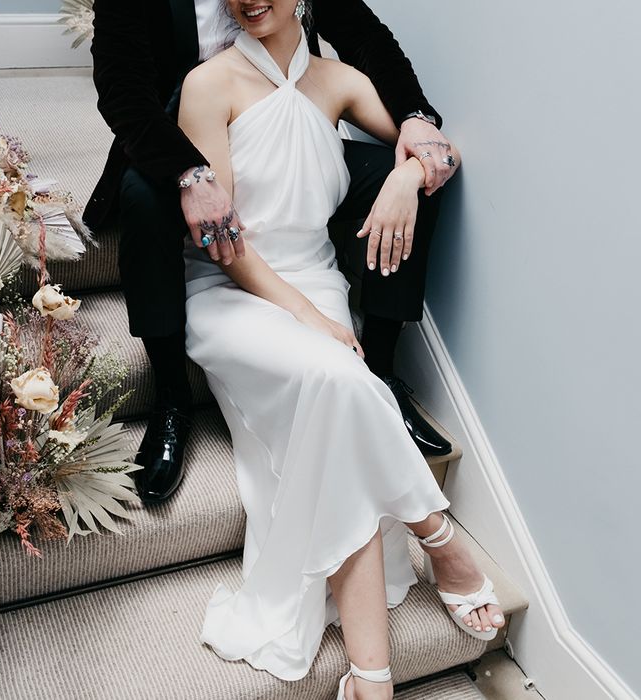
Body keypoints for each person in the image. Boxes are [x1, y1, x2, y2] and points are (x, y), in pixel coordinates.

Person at [176, 3, 503, 698]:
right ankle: (440, 538)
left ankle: (370, 676)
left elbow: (438, 149)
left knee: (334, 411)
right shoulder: (209, 85)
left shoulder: (341, 81)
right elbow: (223, 244)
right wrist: (303, 317)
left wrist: (404, 180)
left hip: (318, 281)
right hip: (236, 295)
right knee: (339, 377)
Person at [84, 0, 457, 504]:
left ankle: (383, 371)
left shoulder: (329, 76)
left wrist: (414, 127)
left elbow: (367, 37)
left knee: (414, 186)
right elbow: (123, 91)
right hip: (174, 143)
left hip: (283, 134)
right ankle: (171, 396)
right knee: (141, 202)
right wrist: (190, 174)